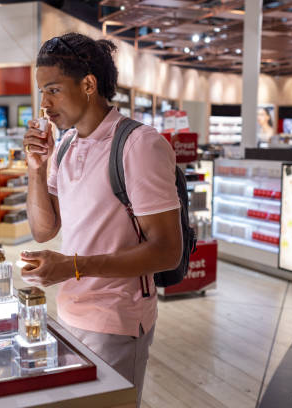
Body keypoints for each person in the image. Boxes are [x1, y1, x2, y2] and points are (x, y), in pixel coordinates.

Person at [20, 32, 182, 405]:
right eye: (42, 92)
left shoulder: (140, 145)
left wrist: (73, 266)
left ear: (89, 85)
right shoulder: (64, 146)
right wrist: (35, 169)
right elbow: (44, 230)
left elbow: (166, 251)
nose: (44, 103)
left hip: (116, 322)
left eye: (54, 90)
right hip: (69, 313)